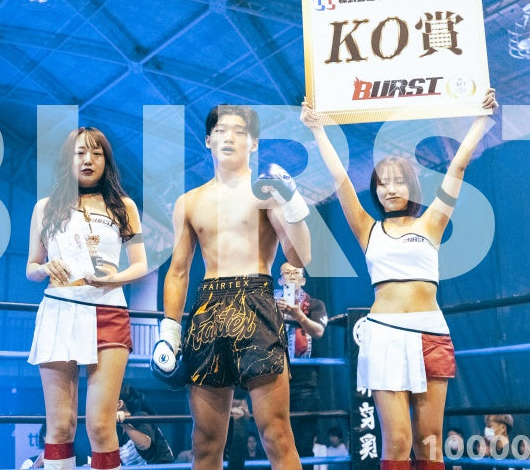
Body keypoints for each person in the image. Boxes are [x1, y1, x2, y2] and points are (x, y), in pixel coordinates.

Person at [301, 90, 498, 470]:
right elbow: (340, 179)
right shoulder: (367, 228)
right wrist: (317, 129)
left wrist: (481, 120)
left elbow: (457, 169)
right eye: (382, 183)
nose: (390, 188)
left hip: (431, 332)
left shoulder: (432, 222)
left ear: (411, 186)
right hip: (385, 336)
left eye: (398, 181)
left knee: (430, 442)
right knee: (397, 441)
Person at [153, 104, 312, 469]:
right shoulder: (189, 202)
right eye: (221, 130)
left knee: (276, 433)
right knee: (205, 440)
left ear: (253, 143)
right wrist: (169, 330)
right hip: (207, 309)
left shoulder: (266, 194)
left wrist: (293, 205)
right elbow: (178, 271)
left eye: (239, 131)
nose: (229, 137)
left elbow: (299, 256)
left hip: (256, 301)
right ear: (208, 140)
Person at [26, 127, 148, 470]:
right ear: (68, 159)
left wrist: (112, 278)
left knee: (100, 425)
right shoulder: (45, 208)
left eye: (96, 153)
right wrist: (44, 267)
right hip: (59, 312)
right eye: (80, 153)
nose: (88, 160)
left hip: (108, 310)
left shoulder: (124, 206)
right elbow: (31, 267)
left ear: (106, 160)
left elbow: (140, 264)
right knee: (60, 426)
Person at [277, 262, 328, 469]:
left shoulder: (314, 304)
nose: (291, 276)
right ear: (279, 280)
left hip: (305, 383)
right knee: (277, 442)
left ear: (303, 280)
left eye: (296, 273)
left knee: (304, 444)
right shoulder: (269, 302)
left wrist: (298, 316)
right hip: (275, 379)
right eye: (287, 273)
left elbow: (319, 331)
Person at [116, 383, 175, 465]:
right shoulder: (117, 429)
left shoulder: (141, 416)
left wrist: (124, 423)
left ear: (119, 404)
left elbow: (144, 445)